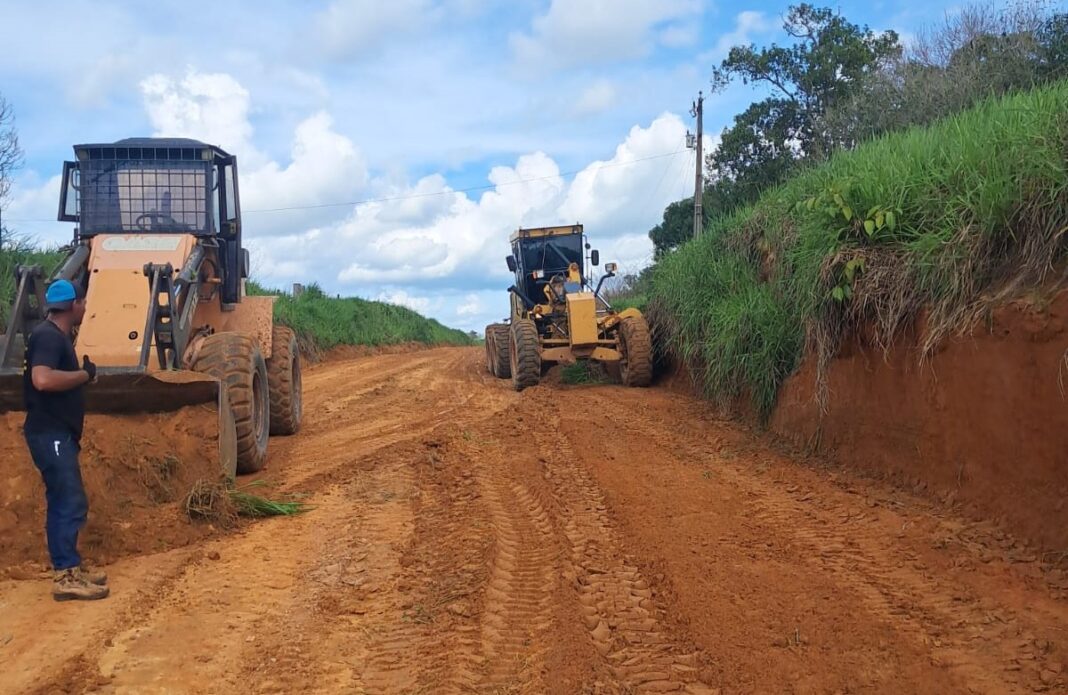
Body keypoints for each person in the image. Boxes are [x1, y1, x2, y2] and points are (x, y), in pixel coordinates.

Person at [22, 278, 108, 601]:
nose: (85, 309)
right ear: (73, 305)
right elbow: (42, 380)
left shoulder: (53, 336)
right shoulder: (49, 337)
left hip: (55, 433)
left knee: (66, 499)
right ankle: (66, 575)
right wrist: (84, 376)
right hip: (50, 433)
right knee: (68, 501)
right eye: (83, 303)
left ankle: (70, 567)